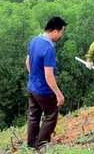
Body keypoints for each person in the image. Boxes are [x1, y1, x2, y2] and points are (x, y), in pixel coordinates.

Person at [26, 16, 67, 149]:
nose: (61, 35)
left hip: (32, 87)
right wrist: (58, 94)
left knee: (34, 115)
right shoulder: (49, 48)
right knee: (50, 115)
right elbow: (49, 75)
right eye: (61, 32)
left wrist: (34, 78)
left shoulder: (34, 40)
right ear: (55, 31)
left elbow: (27, 62)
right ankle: (40, 145)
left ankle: (31, 144)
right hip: (44, 91)